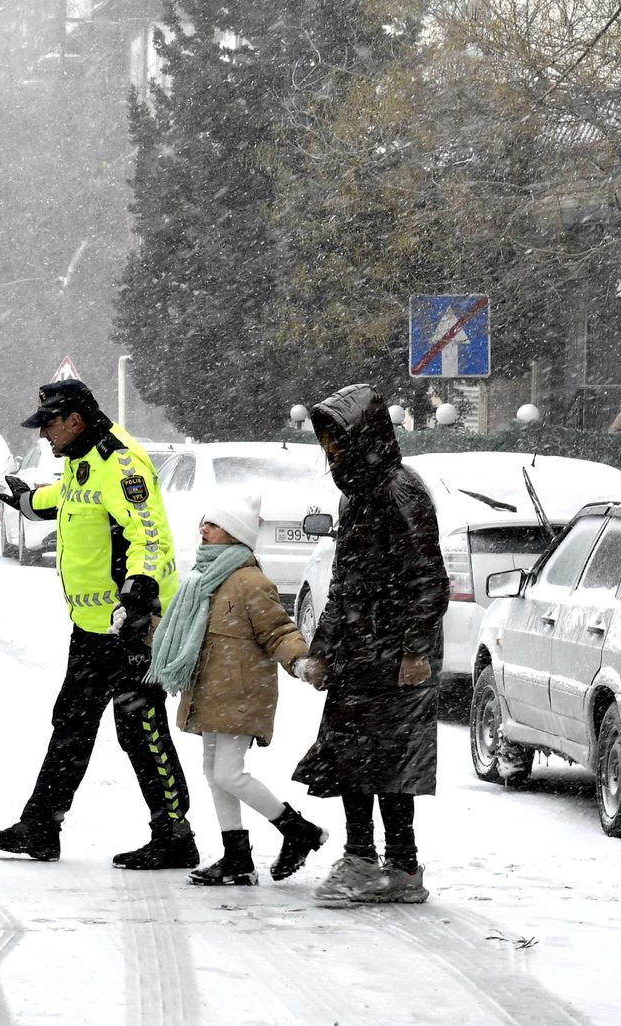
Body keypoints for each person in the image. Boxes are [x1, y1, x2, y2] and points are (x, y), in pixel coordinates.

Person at [0, 379, 198, 869]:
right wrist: (29, 502)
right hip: (94, 626)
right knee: (72, 723)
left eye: (49, 425)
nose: (44, 435)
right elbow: (72, 497)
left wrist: (139, 594)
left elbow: (150, 535)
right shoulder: (83, 458)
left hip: (132, 625)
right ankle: (40, 827)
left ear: (75, 420)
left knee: (140, 726)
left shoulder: (121, 463)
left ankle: (175, 834)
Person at [294, 384, 449, 904]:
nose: (330, 450)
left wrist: (415, 651)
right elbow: (343, 584)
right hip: (359, 652)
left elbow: (428, 578)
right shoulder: (357, 495)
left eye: (336, 438)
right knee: (353, 759)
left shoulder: (399, 491)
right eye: (325, 440)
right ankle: (367, 859)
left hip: (393, 653)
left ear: (363, 436)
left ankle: (394, 866)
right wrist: (322, 650)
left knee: (389, 764)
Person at [148, 493, 328, 886]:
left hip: (241, 692)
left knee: (228, 774)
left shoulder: (250, 582)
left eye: (213, 524)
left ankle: (297, 829)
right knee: (215, 774)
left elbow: (278, 630)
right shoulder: (200, 579)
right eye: (205, 522)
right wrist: (144, 626)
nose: (204, 529)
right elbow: (182, 632)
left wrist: (300, 661)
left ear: (235, 534)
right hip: (211, 692)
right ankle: (237, 858)